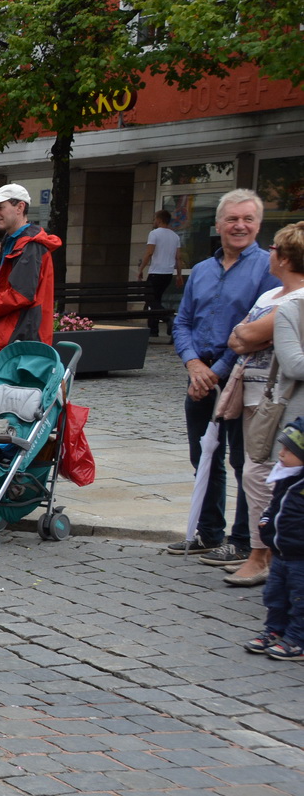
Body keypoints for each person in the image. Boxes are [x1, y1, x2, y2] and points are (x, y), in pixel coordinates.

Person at [171, 188, 280, 559]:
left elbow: (258, 332)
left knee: (244, 461)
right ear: (218, 225)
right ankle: (209, 533)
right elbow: (182, 321)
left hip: (242, 378)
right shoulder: (201, 270)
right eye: (232, 219)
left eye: (248, 219)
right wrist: (193, 364)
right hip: (199, 376)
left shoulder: (269, 268)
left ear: (258, 224)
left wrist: (214, 372)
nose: (240, 226)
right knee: (202, 455)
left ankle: (243, 540)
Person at [222, 221, 304, 587]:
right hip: (252, 394)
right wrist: (248, 336)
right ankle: (263, 552)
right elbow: (236, 338)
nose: (267, 252)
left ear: (285, 258)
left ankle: (265, 555)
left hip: (279, 402)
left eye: (273, 248)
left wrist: (249, 336)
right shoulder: (271, 296)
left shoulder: (294, 302)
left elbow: (250, 334)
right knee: (251, 471)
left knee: (265, 475)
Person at [0, 184, 59, 403]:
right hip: (8, 340)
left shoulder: (29, 245)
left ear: (20, 207)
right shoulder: (14, 242)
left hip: (16, 342)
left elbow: (19, 294)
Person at [245, 418, 304, 659]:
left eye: (288, 450)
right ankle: (275, 630)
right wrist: (267, 521)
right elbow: (274, 505)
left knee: (300, 600)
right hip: (280, 554)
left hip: (300, 558)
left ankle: (298, 639)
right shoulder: (286, 477)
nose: (280, 454)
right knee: (274, 596)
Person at [139, 209, 182, 331]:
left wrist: (141, 269)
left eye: (154, 218)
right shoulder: (175, 236)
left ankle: (168, 317)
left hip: (156, 272)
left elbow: (149, 253)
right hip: (168, 274)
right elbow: (178, 258)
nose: (153, 221)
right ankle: (153, 329)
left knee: (150, 299)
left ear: (159, 220)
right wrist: (179, 275)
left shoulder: (154, 234)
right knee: (155, 299)